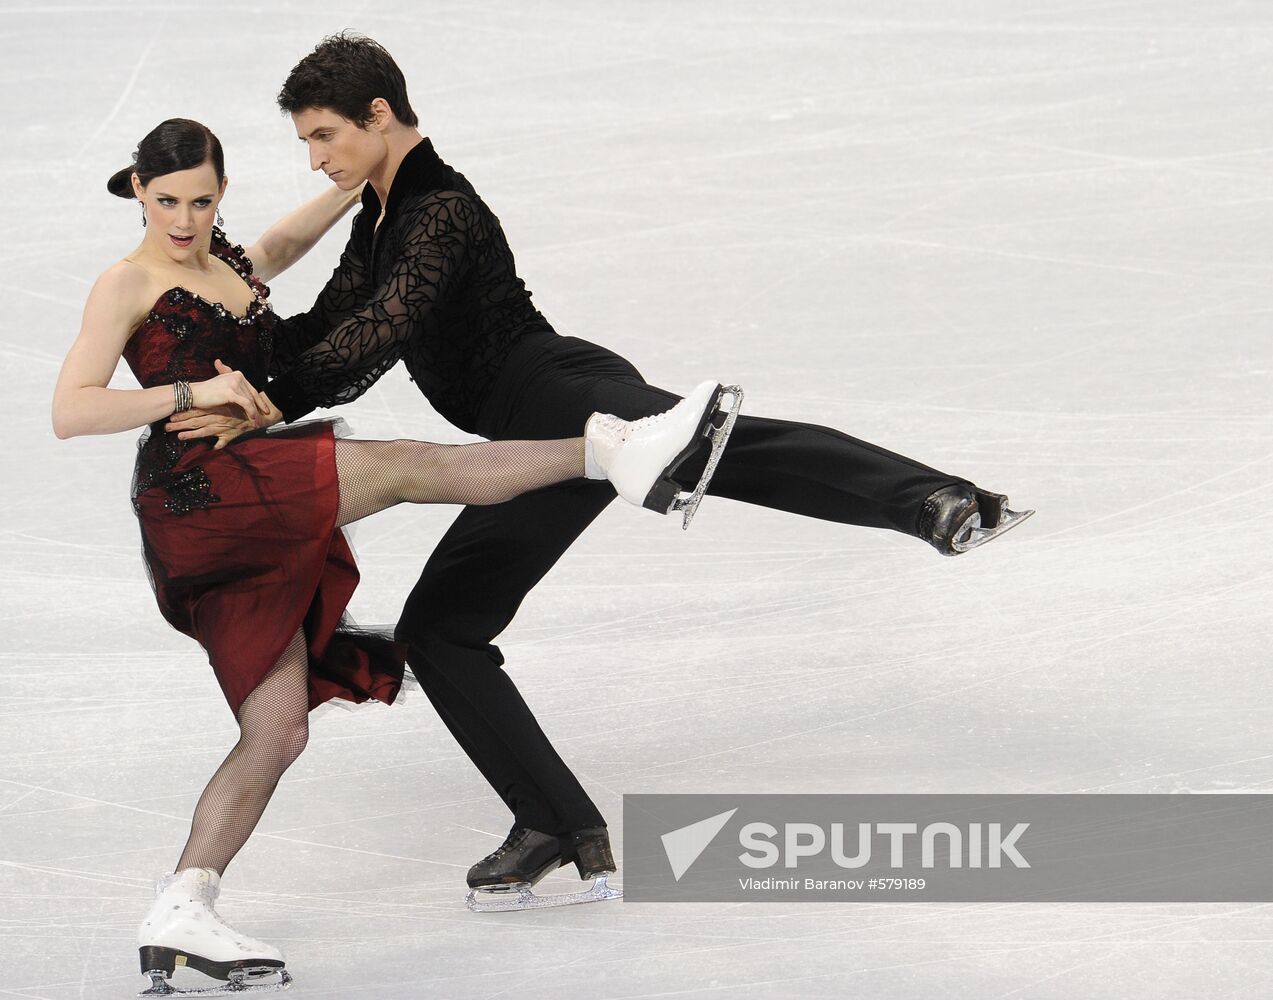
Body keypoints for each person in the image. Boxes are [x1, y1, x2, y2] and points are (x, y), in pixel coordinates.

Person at [167, 32, 1033, 910]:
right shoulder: (383, 215)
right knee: (443, 631)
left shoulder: (440, 211)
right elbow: (327, 328)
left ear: (378, 116)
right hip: (520, 437)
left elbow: (378, 335)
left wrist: (268, 402)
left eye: (323, 136)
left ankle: (933, 500)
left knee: (714, 450)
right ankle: (554, 824)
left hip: (553, 391)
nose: (315, 159)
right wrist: (234, 362)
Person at [51, 118, 731, 993]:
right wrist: (192, 390)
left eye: (202, 199)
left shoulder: (226, 263)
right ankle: (616, 449)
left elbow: (280, 244)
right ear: (139, 191)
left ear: (220, 196)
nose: (182, 218)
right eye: (167, 199)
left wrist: (355, 182)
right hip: (201, 491)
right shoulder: (127, 280)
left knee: (278, 728)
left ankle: (182, 908)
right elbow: (70, 410)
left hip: (240, 508)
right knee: (413, 467)